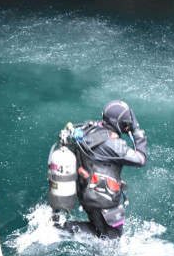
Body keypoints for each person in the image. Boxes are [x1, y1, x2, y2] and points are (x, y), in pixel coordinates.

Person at [60, 100, 147, 238]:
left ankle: (60, 226)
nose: (127, 127)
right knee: (111, 241)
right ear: (117, 123)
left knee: (100, 232)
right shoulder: (112, 144)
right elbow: (141, 159)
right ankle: (58, 227)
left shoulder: (89, 129)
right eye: (125, 123)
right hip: (102, 200)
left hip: (87, 193)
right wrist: (137, 132)